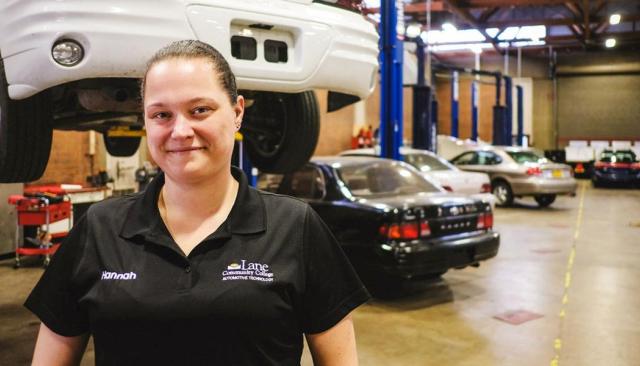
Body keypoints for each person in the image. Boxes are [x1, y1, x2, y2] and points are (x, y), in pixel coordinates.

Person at [25, 40, 370, 365]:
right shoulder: (100, 228)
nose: (180, 131)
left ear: (237, 112)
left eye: (200, 109)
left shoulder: (295, 227)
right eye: (161, 115)